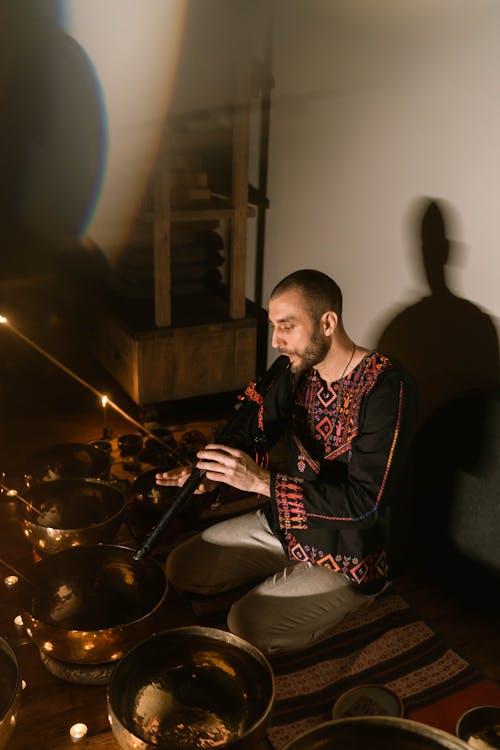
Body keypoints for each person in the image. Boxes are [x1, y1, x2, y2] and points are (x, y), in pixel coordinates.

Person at [156, 269, 417, 655]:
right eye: (274, 326)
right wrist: (210, 474)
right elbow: (255, 433)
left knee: (244, 624)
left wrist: (262, 483)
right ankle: (290, 573)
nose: (277, 340)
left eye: (287, 326)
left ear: (327, 322)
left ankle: (355, 595)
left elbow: (365, 505)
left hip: (349, 549)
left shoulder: (386, 388)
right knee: (181, 568)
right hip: (287, 523)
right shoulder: (298, 371)